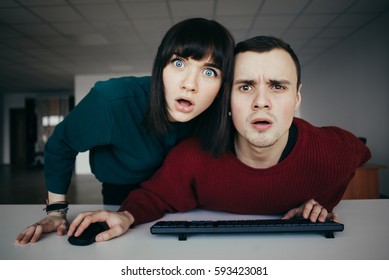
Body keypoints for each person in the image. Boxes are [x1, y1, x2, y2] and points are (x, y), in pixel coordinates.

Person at [65, 35, 371, 243]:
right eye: (245, 86)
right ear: (225, 99)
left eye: (277, 87)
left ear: (297, 97)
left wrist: (324, 201)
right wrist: (125, 217)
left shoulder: (333, 151)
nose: (261, 102)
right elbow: (156, 196)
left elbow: (360, 153)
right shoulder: (194, 155)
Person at [15, 18, 235, 244]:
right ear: (160, 66)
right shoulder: (112, 100)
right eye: (179, 63)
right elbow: (61, 145)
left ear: (222, 85)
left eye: (209, 72)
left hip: (185, 198)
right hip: (121, 195)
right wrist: (56, 212)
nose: (190, 84)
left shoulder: (220, 114)